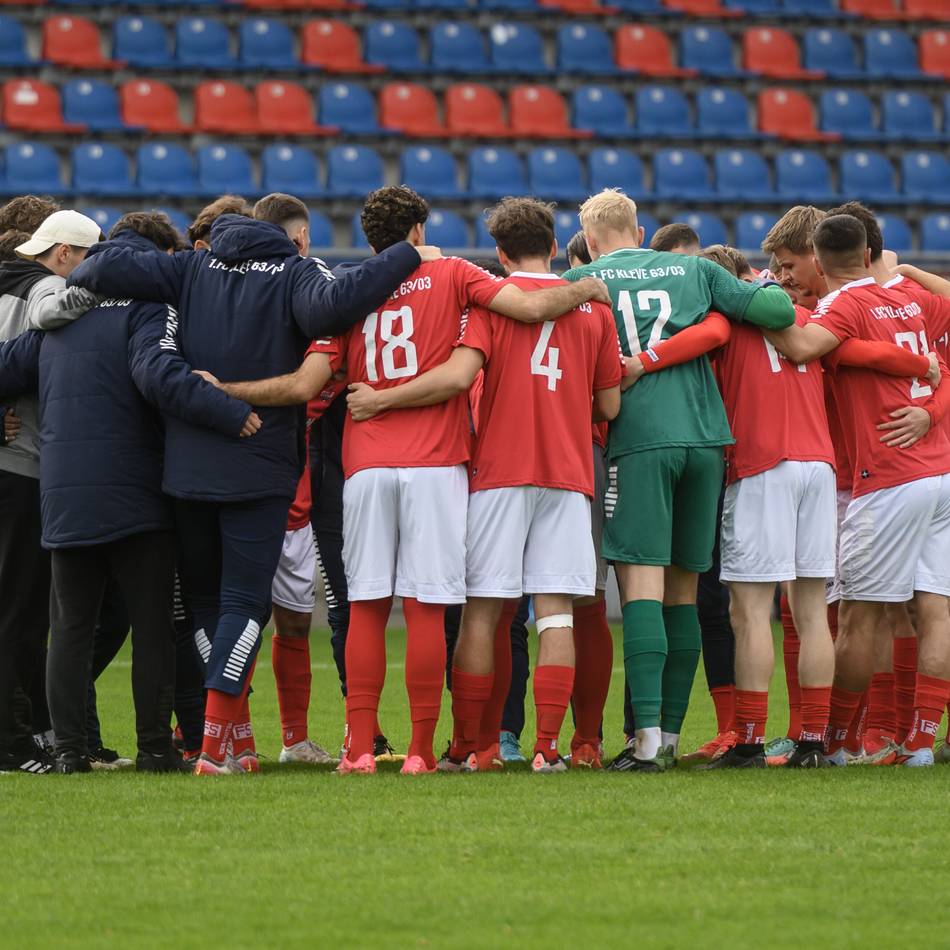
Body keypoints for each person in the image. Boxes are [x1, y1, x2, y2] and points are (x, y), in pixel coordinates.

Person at [197, 186, 610, 775]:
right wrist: (586, 287)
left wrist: (225, 391)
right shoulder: (456, 274)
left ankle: (360, 750)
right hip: (439, 465)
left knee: (366, 608)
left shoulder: (347, 291)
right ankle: (421, 751)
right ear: (419, 230)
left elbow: (304, 384)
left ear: (370, 239)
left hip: (366, 465)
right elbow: (527, 310)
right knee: (428, 610)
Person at [66, 191, 442, 776]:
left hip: (187, 470)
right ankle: (215, 747)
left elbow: (97, 267)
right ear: (294, 239)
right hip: (260, 466)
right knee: (244, 603)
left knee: (204, 605)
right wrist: (408, 254)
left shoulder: (190, 268)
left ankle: (236, 739)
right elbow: (337, 304)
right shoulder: (295, 272)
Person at [346, 196, 623, 773]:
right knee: (557, 612)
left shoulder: (487, 303)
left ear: (499, 251)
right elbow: (610, 404)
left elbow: (462, 373)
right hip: (568, 472)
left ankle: (470, 745)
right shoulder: (595, 309)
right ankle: (549, 747)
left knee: (483, 612)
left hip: (498, 470)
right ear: (555, 246)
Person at [0, 212, 260, 773]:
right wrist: (229, 412)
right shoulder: (147, 308)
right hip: (135, 494)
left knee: (70, 630)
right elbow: (157, 376)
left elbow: (5, 368)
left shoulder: (56, 319)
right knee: (152, 628)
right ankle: (154, 749)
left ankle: (69, 752)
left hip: (62, 495)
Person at [561, 189, 795, 772]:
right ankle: (667, 736)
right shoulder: (695, 270)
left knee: (641, 587)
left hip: (640, 439)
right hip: (706, 438)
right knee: (685, 593)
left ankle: (645, 744)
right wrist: (730, 307)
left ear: (590, 241)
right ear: (640, 233)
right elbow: (779, 313)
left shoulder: (585, 280)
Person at [766, 214, 950, 768]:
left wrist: (749, 305)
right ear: (870, 252)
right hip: (938, 471)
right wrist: (925, 391)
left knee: (857, 617)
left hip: (886, 476)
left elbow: (803, 346)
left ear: (819, 262)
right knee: (934, 610)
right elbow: (935, 363)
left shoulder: (843, 304)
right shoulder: (911, 298)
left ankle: (837, 741)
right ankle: (919, 744)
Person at [0, 209, 102, 774]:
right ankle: (12, 743)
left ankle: (32, 733)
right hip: (23, 468)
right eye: (88, 259)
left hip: (15, 464)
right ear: (64, 254)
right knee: (21, 614)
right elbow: (46, 320)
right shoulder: (44, 289)